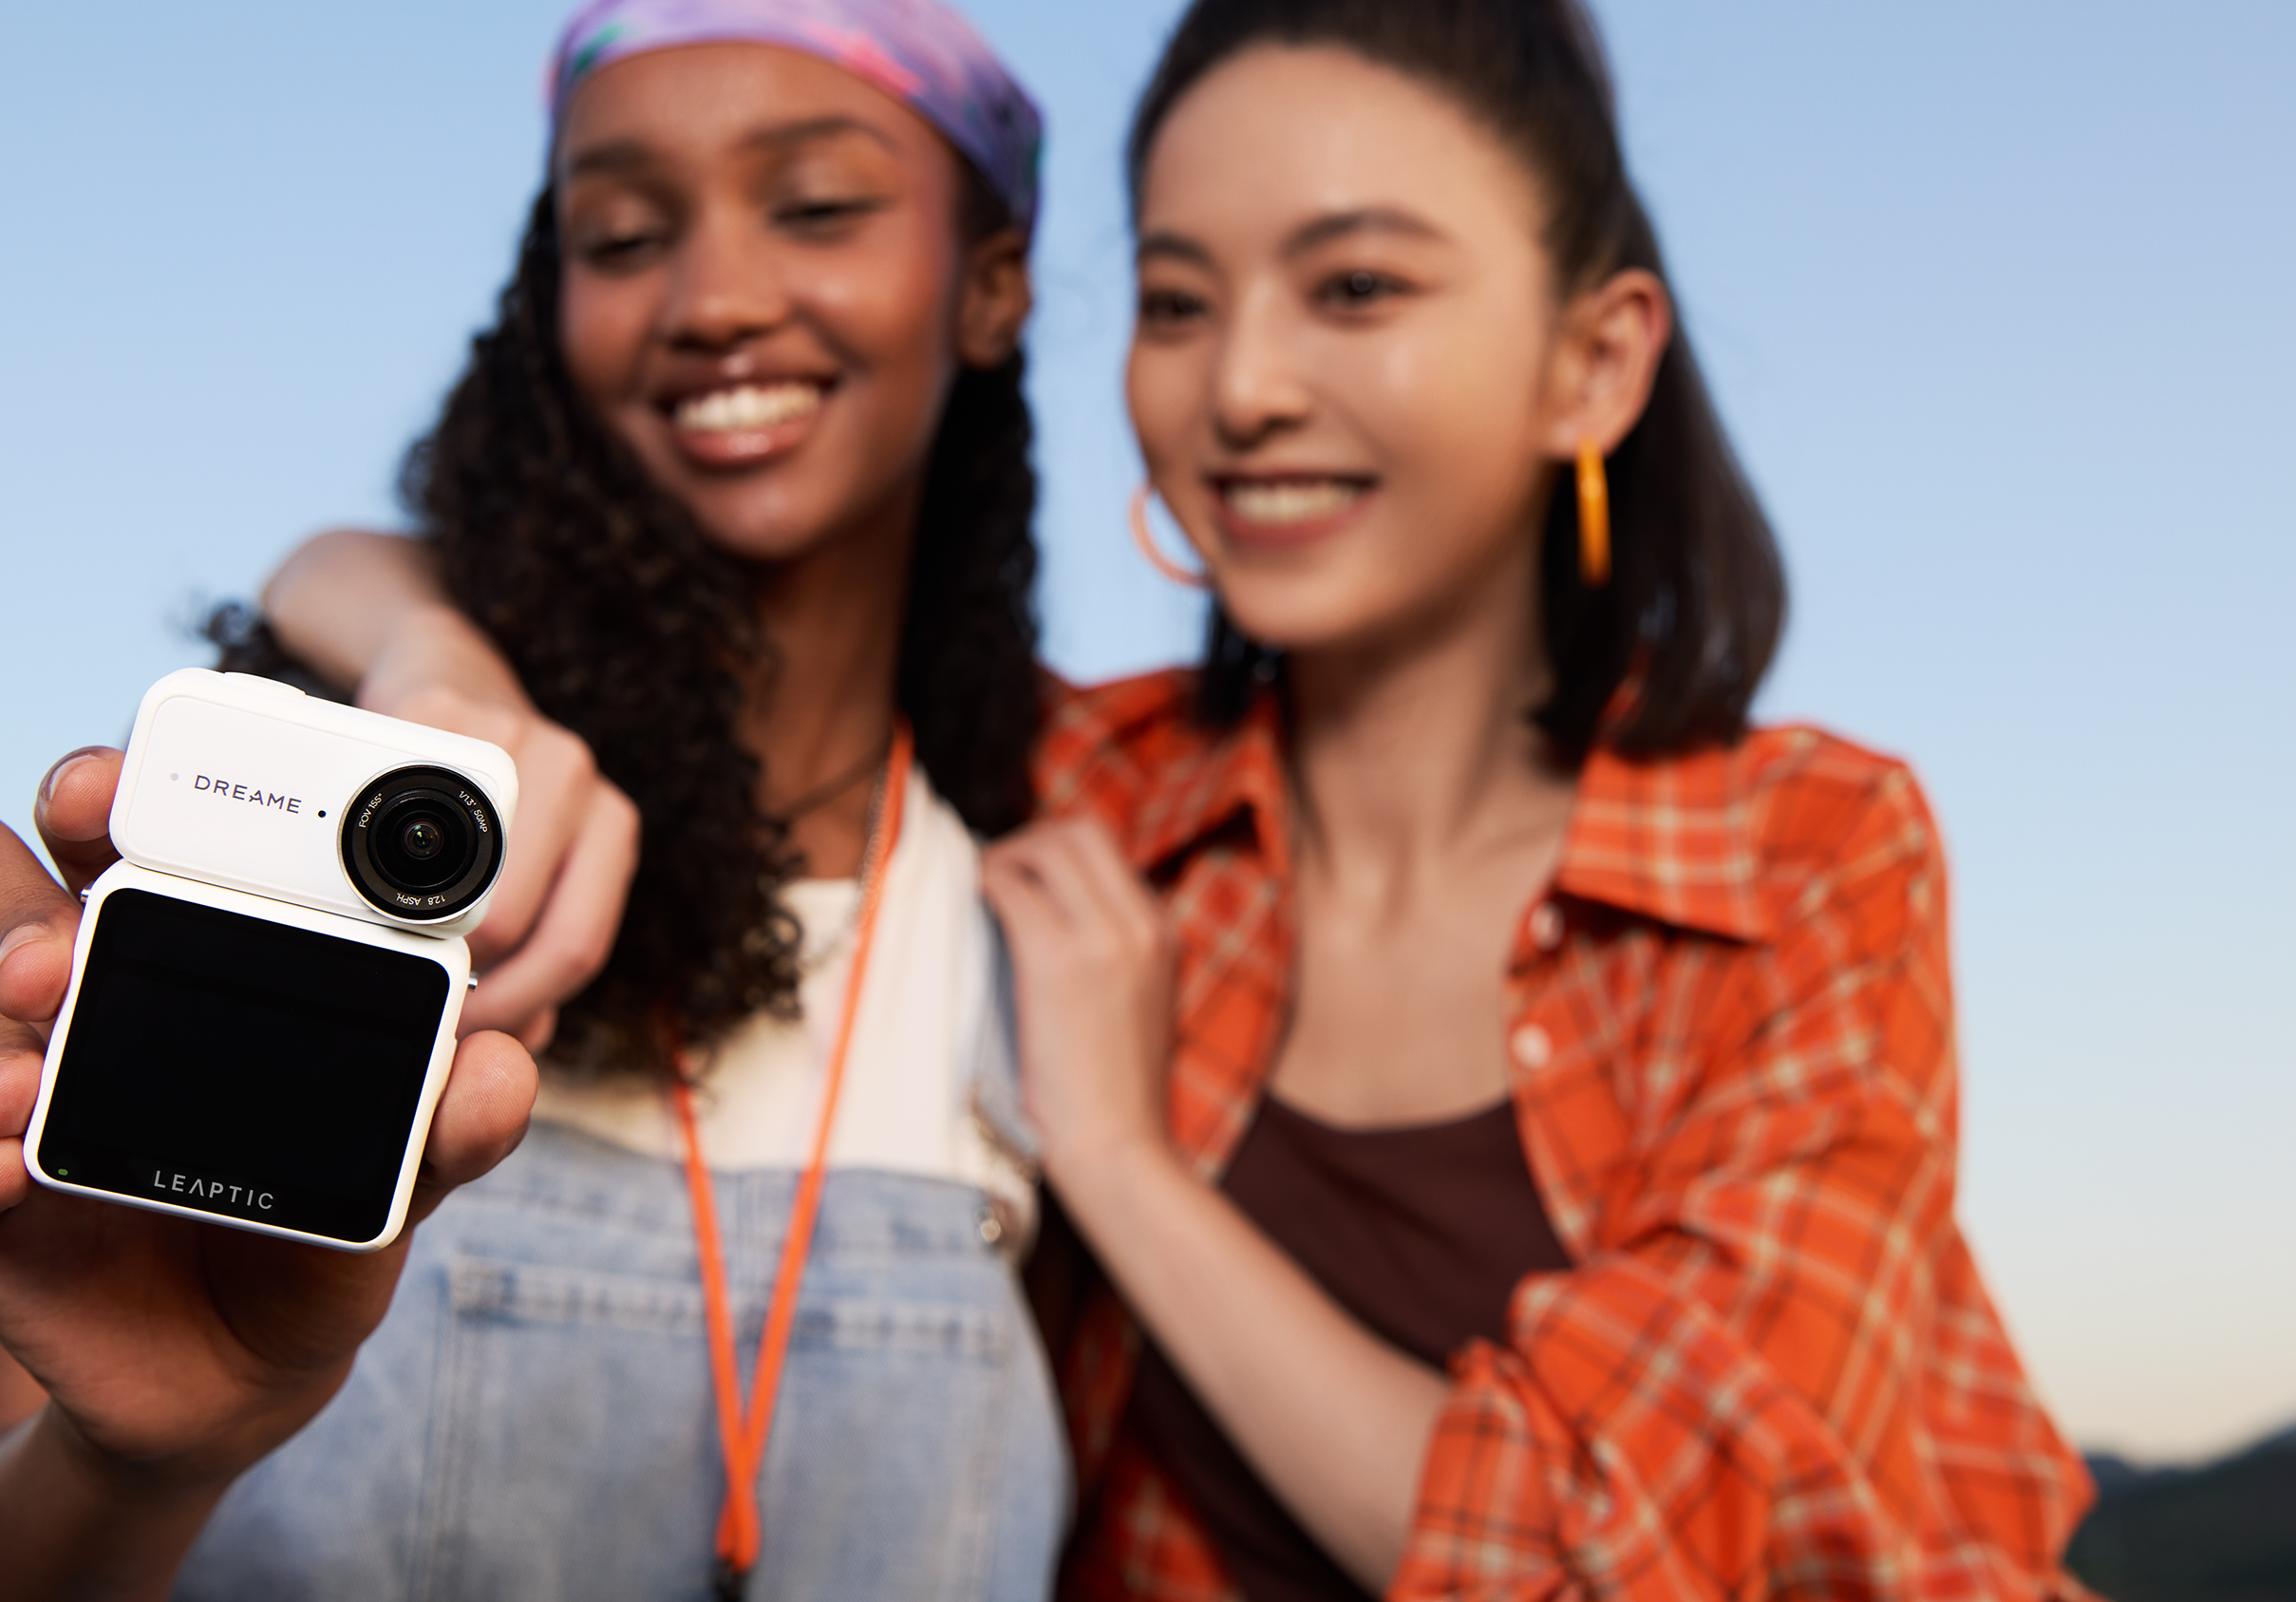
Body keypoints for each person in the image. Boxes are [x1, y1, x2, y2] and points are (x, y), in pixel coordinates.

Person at [285, 0, 2098, 1595]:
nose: (1239, 387)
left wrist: (1132, 1172)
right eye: (1175, 300)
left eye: (1357, 288)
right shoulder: (1081, 793)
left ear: (1593, 360)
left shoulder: (1804, 851)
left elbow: (1613, 1560)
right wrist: (438, 662)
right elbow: (353, 571)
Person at [0, 1, 1068, 1596]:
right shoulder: (375, 836)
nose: (711, 298)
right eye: (623, 232)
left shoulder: (1064, 901)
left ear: (989, 286)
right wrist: (134, 1462)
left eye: (820, 204)